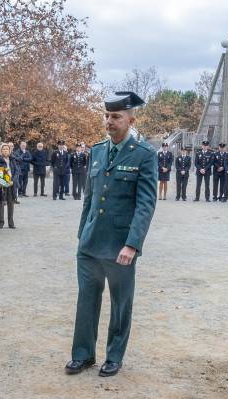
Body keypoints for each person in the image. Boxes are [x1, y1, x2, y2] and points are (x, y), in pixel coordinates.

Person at [67, 91, 157, 379]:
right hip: (91, 243)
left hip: (120, 246)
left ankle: (114, 355)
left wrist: (132, 244)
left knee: (120, 303)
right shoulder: (97, 150)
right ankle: (82, 355)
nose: (109, 121)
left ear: (131, 119)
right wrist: (83, 235)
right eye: (106, 116)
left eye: (116, 116)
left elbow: (145, 205)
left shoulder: (144, 155)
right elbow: (89, 198)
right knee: (86, 300)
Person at [0, 142, 17, 229]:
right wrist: (5, 180)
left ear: (9, 151)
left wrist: (13, 181)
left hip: (11, 183)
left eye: (7, 149)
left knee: (11, 203)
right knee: (1, 203)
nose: (5, 151)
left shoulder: (12, 159)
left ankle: (11, 223)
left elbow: (16, 171)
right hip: (2, 184)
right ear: (1, 151)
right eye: (3, 149)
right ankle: (0, 223)